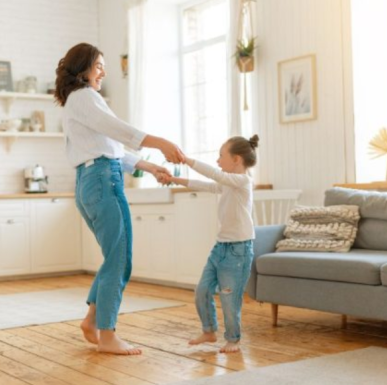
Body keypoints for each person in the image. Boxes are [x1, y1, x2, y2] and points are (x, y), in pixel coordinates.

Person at [54, 42, 185, 355]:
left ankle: (92, 320)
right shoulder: (85, 96)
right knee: (120, 258)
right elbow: (118, 130)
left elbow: (108, 146)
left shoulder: (77, 101)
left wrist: (149, 165)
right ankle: (108, 335)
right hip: (102, 181)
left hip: (92, 180)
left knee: (115, 257)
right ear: (83, 68)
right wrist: (160, 141)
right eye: (99, 65)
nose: (103, 72)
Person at [159, 135, 259, 353]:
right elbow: (206, 185)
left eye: (221, 156)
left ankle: (233, 339)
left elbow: (214, 175)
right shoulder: (227, 184)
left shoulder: (243, 182)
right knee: (202, 290)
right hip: (221, 247)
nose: (217, 161)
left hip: (238, 250)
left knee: (229, 298)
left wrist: (186, 160)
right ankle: (209, 331)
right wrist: (175, 180)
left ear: (237, 159)